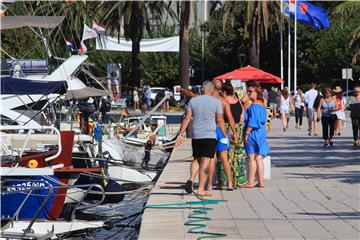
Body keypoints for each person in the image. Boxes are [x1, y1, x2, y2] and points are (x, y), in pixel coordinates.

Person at [176, 81, 227, 197]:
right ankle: (200, 189)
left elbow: (187, 118)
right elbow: (219, 120)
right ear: (212, 90)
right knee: (205, 162)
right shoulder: (216, 102)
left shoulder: (193, 101)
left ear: (202, 89)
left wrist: (180, 134)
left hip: (196, 135)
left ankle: (191, 179)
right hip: (209, 135)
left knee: (196, 160)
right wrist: (225, 134)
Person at [240, 81, 270, 188]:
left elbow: (252, 121)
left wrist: (247, 133)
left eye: (250, 91)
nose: (248, 93)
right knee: (259, 157)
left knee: (251, 157)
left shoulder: (254, 107)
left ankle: (250, 181)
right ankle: (261, 182)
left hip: (253, 133)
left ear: (257, 92)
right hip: (261, 132)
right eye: (247, 91)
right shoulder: (262, 104)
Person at [221, 82, 247, 188]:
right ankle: (239, 179)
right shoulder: (238, 101)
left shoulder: (224, 102)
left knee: (226, 156)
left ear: (224, 92)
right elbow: (242, 116)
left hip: (227, 129)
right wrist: (240, 128)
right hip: (239, 129)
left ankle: (227, 179)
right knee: (238, 155)